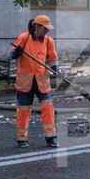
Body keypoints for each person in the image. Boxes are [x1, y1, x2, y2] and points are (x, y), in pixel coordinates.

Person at [11, 15, 59, 148]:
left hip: (42, 82)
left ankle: (51, 138)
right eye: (45, 28)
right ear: (37, 26)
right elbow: (12, 54)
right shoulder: (24, 38)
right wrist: (17, 53)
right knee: (23, 111)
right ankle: (22, 139)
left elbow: (53, 58)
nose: (47, 31)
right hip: (25, 82)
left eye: (47, 29)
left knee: (48, 109)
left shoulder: (49, 41)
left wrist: (55, 67)